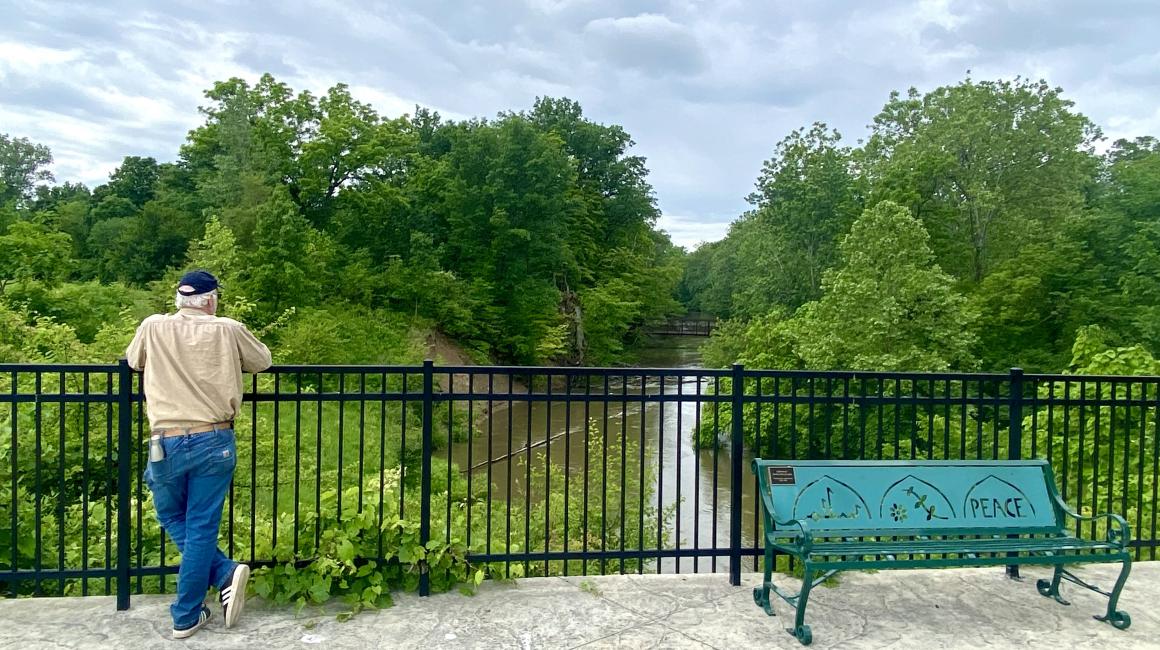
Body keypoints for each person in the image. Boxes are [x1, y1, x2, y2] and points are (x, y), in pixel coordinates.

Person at [125, 270, 272, 639]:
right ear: (210, 300)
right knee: (201, 523)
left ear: (179, 299)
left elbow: (132, 361)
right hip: (214, 439)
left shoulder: (153, 326)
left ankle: (206, 592)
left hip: (166, 440)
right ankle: (207, 589)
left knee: (170, 512)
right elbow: (263, 361)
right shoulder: (229, 329)